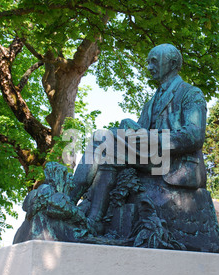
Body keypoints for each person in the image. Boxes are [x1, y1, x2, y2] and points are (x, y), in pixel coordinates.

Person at [69, 43, 208, 231]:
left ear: (173, 63)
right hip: (152, 157)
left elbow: (194, 135)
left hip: (177, 162)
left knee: (102, 141)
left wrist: (149, 137)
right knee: (105, 145)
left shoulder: (191, 94)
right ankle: (93, 219)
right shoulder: (150, 102)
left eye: (154, 62)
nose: (149, 67)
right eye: (148, 62)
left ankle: (68, 201)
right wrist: (132, 130)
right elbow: (141, 136)